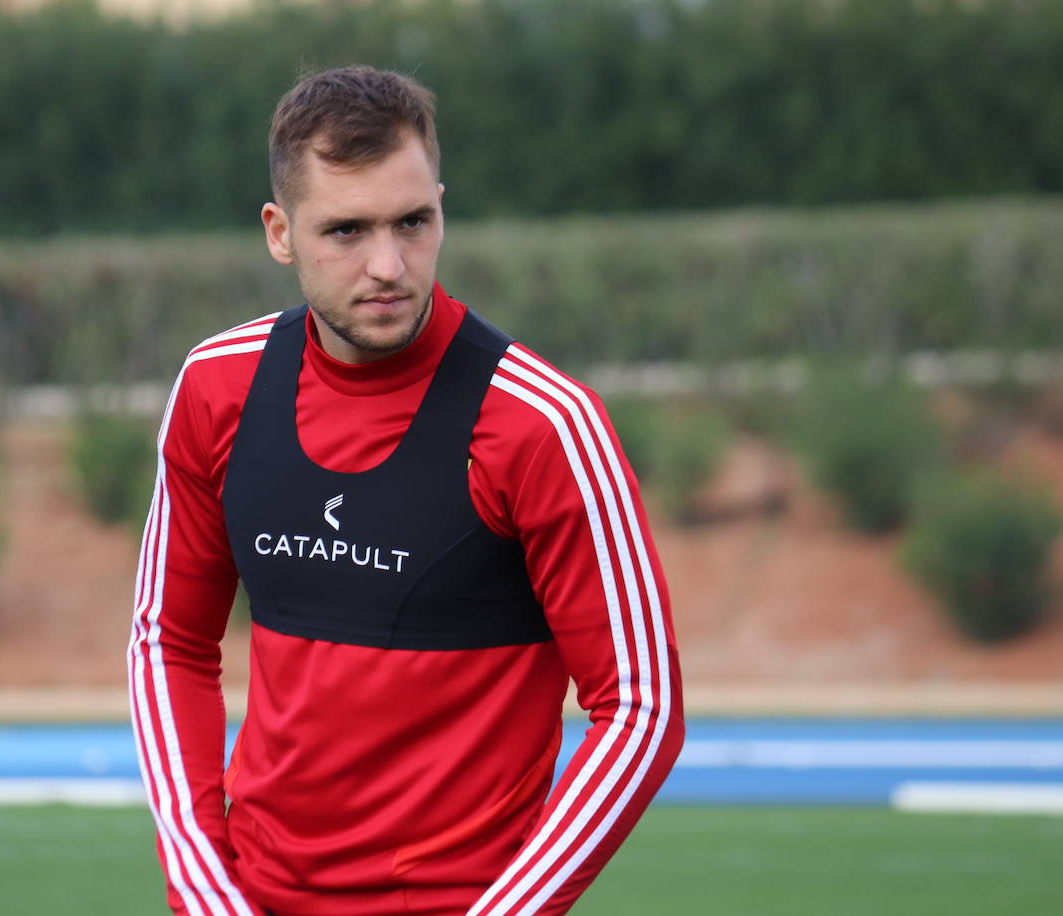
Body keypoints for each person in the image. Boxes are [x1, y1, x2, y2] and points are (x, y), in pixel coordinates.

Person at [127, 65, 684, 916]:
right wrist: (204, 885)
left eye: (413, 223)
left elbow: (641, 709)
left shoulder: (545, 425)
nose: (388, 265)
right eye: (346, 231)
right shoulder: (217, 386)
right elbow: (167, 641)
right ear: (279, 233)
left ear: (441, 210)